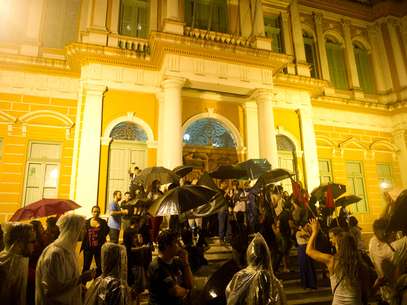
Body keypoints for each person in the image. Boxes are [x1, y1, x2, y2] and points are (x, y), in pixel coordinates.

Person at [306, 218, 369, 305]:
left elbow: (309, 251)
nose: (331, 241)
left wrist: (314, 232)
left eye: (332, 239)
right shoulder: (361, 265)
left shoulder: (332, 261)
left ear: (339, 243)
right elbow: (366, 293)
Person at [36, 214, 94, 305]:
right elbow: (51, 289)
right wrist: (81, 279)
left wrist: (78, 287)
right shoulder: (55, 254)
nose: (85, 231)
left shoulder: (69, 251)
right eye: (83, 228)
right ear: (73, 230)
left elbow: (67, 280)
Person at [226, 233, 287, 305]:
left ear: (249, 254)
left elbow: (230, 296)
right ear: (267, 256)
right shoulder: (274, 282)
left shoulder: (240, 276)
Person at [148, 230, 193, 305]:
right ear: (166, 246)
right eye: (176, 242)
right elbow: (175, 291)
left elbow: (190, 284)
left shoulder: (176, 262)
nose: (179, 245)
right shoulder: (157, 266)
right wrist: (187, 291)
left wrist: (186, 263)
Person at [369, 217, 407, 305]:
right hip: (398, 296)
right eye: (392, 231)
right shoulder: (397, 248)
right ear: (386, 232)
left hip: (385, 296)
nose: (394, 233)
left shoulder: (372, 244)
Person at [0, 222, 35, 305]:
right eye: (32, 241)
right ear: (19, 243)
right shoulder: (5, 268)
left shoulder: (20, 259)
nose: (35, 245)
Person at [81, 206, 110, 277]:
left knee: (99, 266)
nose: (96, 213)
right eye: (94, 211)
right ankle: (82, 284)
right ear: (92, 212)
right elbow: (83, 233)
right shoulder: (87, 222)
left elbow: (107, 230)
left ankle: (97, 283)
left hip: (99, 248)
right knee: (86, 266)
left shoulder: (103, 222)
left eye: (97, 212)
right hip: (88, 248)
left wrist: (101, 238)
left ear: (99, 213)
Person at [28, 220, 47, 305]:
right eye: (41, 227)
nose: (43, 228)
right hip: (34, 273)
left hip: (40, 271)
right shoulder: (33, 243)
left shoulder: (42, 240)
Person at [296, 223, 317, 289]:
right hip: (302, 250)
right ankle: (305, 284)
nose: (308, 227)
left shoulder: (309, 233)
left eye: (309, 226)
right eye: (307, 226)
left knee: (310, 266)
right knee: (304, 266)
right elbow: (304, 235)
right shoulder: (298, 232)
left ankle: (312, 284)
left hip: (308, 249)